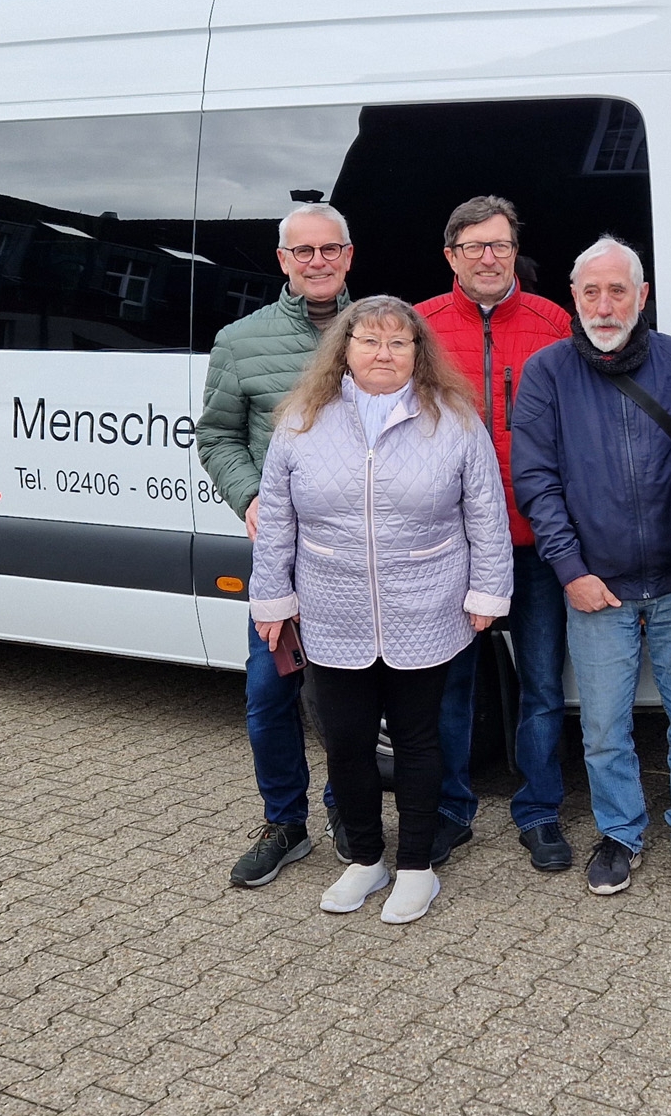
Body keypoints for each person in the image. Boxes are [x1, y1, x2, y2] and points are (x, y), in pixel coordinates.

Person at [248, 296, 513, 924]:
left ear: (418, 352)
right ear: (345, 350)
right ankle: (366, 859)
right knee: (346, 742)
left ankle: (417, 868)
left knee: (419, 741)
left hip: (427, 608)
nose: (383, 354)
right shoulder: (303, 419)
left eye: (398, 342)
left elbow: (486, 512)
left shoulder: (454, 419)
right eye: (369, 341)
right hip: (331, 608)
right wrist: (272, 599)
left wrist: (487, 593)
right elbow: (277, 517)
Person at [513, 237, 671, 898]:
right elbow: (536, 480)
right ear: (573, 299)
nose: (605, 306)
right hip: (596, 585)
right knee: (604, 728)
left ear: (642, 296)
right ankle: (621, 833)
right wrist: (570, 569)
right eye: (591, 292)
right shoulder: (547, 372)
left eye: (618, 291)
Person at [197, 202, 352, 889]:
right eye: (303, 251)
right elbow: (216, 436)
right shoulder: (241, 341)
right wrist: (251, 497)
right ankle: (285, 823)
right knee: (268, 694)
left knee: (351, 697)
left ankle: (347, 812)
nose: (318, 262)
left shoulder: (382, 330)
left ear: (348, 255)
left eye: (329, 249)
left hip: (358, 556)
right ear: (284, 260)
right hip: (283, 557)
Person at [417, 197, 574, 871]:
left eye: (501, 245)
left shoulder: (554, 324)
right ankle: (451, 811)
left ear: (516, 252)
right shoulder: (419, 327)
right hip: (451, 545)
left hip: (535, 540)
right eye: (475, 246)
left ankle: (539, 811)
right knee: (451, 688)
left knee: (543, 686)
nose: (489, 258)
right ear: (451, 255)